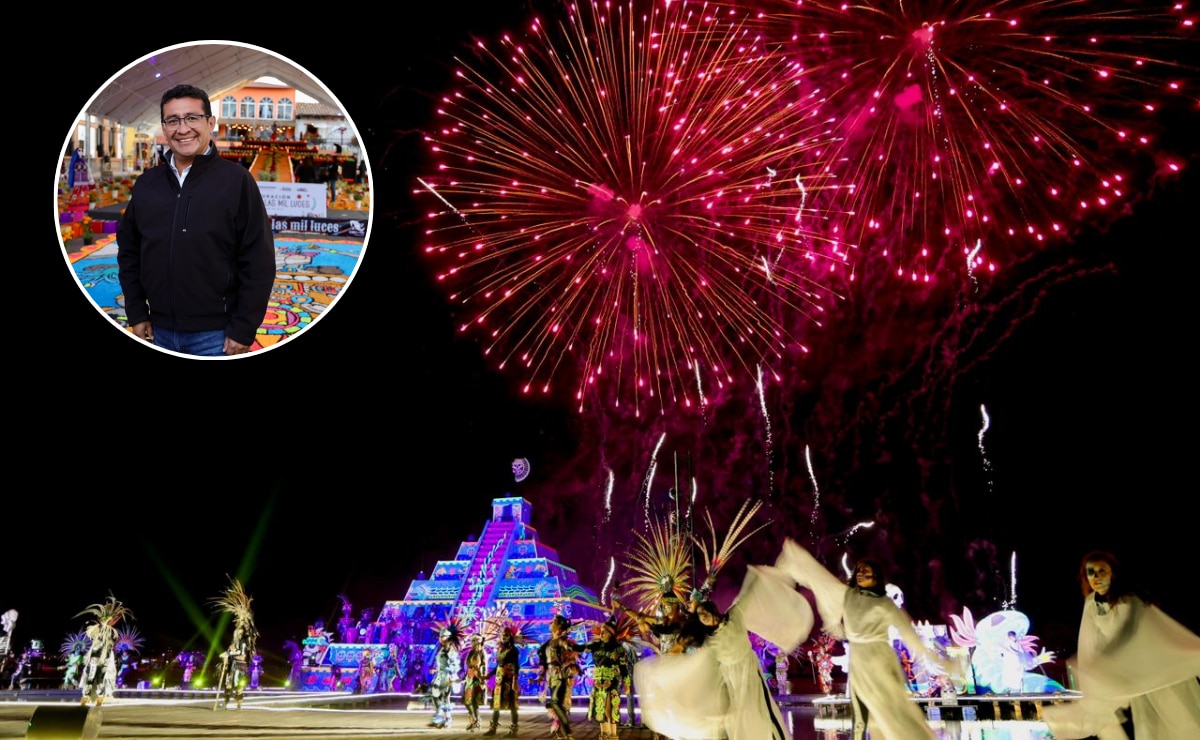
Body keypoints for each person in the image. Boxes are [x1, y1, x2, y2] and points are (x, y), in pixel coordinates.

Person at [116, 83, 274, 356]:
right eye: (173, 120)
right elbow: (130, 252)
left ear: (210, 122)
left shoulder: (236, 181)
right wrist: (137, 311)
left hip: (216, 335)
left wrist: (244, 328)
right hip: (158, 329)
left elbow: (258, 260)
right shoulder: (147, 184)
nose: (183, 128)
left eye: (192, 118)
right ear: (164, 128)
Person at [775, 538, 952, 740]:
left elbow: (909, 635)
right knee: (859, 720)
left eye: (866, 572)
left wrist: (939, 661)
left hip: (880, 661)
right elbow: (820, 579)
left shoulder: (885, 603)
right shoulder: (849, 597)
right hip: (859, 662)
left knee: (890, 715)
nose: (861, 574)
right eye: (859, 571)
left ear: (876, 577)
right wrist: (795, 557)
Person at [633, 565, 812, 740]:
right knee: (731, 719)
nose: (703, 617)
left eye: (705, 613)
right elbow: (681, 644)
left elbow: (747, 596)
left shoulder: (734, 615)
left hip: (748, 672)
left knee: (760, 712)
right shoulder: (708, 638)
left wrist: (757, 577)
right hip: (727, 678)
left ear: (713, 611)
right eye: (700, 616)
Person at [1042, 550, 1200, 740]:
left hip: (1151, 668)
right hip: (1127, 670)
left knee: (1176, 716)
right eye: (1091, 572)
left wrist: (1106, 659)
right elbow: (1090, 637)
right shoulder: (1092, 603)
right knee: (1145, 721)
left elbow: (1127, 631)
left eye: (1102, 571)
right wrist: (1091, 666)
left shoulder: (1130, 599)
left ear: (1113, 574)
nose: (1096, 577)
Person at [212, 577, 258, 710]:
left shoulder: (244, 640)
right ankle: (226, 701)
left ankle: (238, 701)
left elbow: (241, 652)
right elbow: (233, 648)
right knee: (228, 682)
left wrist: (228, 653)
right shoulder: (236, 638)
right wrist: (228, 652)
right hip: (233, 663)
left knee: (237, 682)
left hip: (240, 664)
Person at [582, 619, 629, 740]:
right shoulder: (596, 646)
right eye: (601, 631)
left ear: (611, 634)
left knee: (610, 712)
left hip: (611, 682)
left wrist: (627, 683)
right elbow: (579, 647)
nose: (601, 634)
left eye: (605, 632)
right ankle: (607, 736)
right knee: (601, 711)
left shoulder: (618, 649)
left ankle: (611, 736)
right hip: (598, 682)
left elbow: (624, 668)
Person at [541, 614, 583, 740]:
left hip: (561, 677)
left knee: (558, 704)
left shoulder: (562, 640)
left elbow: (570, 654)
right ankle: (563, 732)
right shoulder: (550, 642)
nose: (550, 622)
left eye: (553, 621)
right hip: (552, 676)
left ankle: (567, 733)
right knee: (555, 705)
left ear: (559, 626)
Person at [484, 626, 522, 737]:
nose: (503, 637)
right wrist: (488, 676)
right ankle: (493, 729)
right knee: (496, 704)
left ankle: (514, 730)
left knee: (512, 705)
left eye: (506, 635)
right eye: (502, 635)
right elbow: (498, 666)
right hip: (499, 680)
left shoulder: (514, 650)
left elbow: (516, 666)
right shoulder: (500, 649)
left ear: (510, 636)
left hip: (509, 680)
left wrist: (515, 680)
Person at [428, 623, 462, 728]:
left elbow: (454, 665)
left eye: (443, 636)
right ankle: (441, 716)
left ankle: (446, 718)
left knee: (445, 697)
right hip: (440, 675)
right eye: (440, 636)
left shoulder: (451, 650)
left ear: (447, 637)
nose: (440, 638)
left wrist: (451, 675)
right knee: (435, 694)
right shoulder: (442, 648)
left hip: (447, 676)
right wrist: (436, 669)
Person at [462, 633, 487, 730]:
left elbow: (484, 666)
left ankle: (476, 721)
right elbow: (467, 665)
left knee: (474, 701)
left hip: (478, 678)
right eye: (471, 641)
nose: (471, 643)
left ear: (478, 642)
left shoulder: (482, 653)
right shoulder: (470, 652)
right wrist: (465, 676)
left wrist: (483, 679)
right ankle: (474, 719)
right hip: (469, 678)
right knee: (466, 701)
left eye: (473, 641)